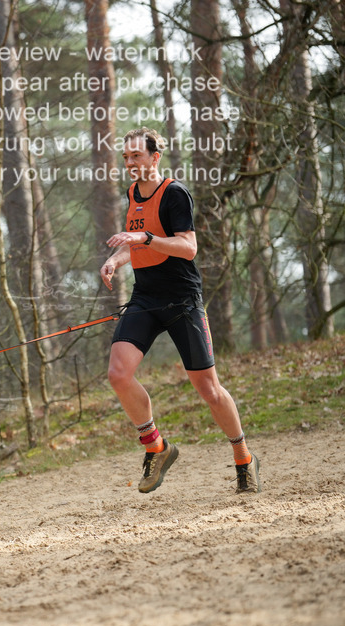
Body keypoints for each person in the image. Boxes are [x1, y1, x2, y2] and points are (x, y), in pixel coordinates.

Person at [99, 127, 260, 494]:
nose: (129, 163)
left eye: (136, 156)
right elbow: (136, 244)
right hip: (145, 298)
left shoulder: (174, 193)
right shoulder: (131, 195)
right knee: (119, 373)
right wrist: (116, 259)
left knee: (209, 390)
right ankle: (157, 447)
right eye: (125, 157)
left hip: (182, 300)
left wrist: (145, 239)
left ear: (155, 158)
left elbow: (187, 248)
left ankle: (244, 458)